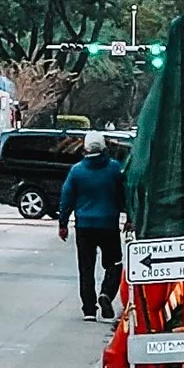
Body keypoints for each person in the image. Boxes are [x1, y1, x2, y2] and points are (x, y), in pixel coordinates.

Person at [56, 130, 129, 320]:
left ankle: (89, 309)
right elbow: (124, 194)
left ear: (85, 149)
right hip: (108, 224)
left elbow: (67, 197)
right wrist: (130, 216)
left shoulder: (77, 171)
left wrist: (63, 223)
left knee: (86, 267)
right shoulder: (114, 168)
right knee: (114, 263)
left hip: (84, 226)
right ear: (104, 148)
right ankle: (106, 293)